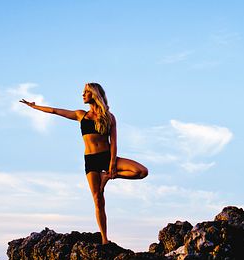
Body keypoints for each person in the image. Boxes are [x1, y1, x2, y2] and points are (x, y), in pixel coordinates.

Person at [20, 83, 148, 244]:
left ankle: (107, 176)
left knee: (142, 171)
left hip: (107, 156)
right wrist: (34, 106)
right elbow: (55, 111)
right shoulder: (81, 115)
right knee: (98, 199)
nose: (83, 94)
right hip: (91, 160)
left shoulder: (109, 117)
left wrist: (112, 164)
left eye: (86, 92)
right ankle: (104, 239)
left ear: (94, 94)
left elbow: (114, 142)